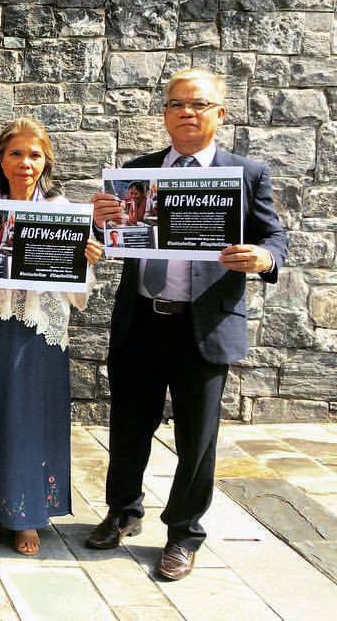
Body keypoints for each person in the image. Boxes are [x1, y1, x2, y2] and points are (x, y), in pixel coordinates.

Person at [88, 68, 287, 580]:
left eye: (198, 104)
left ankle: (183, 534)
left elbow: (276, 239)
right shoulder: (138, 171)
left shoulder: (247, 174)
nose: (186, 112)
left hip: (204, 326)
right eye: (176, 103)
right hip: (142, 320)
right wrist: (99, 221)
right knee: (129, 426)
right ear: (164, 114)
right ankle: (122, 512)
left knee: (197, 438)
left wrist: (263, 258)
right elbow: (111, 241)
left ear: (220, 114)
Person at [0, 118, 102, 555]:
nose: (25, 163)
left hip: (39, 333)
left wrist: (86, 260)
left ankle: (28, 514)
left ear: (46, 160)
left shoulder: (63, 210)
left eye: (34, 154)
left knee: (31, 419)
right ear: (0, 158)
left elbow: (76, 288)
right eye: (16, 153)